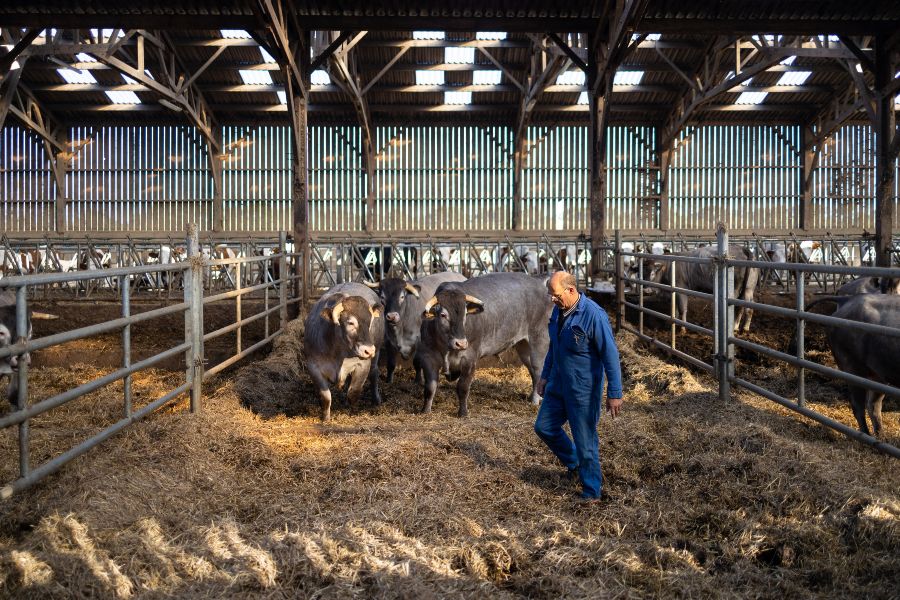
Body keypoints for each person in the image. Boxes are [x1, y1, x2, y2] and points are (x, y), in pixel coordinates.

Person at [534, 271, 623, 502]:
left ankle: (592, 491)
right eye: (550, 295)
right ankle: (574, 463)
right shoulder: (558, 311)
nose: (552, 299)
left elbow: (610, 356)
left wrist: (614, 393)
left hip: (583, 390)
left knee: (586, 441)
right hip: (558, 384)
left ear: (571, 290)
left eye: (555, 295)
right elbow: (554, 347)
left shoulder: (594, 315)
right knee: (544, 426)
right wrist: (544, 377)